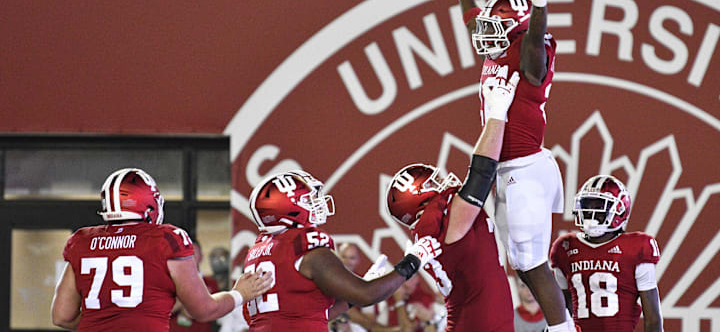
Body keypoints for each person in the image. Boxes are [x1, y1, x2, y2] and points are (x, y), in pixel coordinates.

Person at [445, 0, 575, 332]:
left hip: (525, 167)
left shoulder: (529, 50)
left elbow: (534, 47)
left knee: (531, 265)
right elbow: (474, 22)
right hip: (508, 169)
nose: (485, 34)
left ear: (518, 29)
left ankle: (564, 330)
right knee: (522, 264)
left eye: (496, 26)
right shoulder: (497, 45)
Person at [51, 167, 272, 331]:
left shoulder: (82, 241)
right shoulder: (166, 239)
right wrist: (239, 294)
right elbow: (203, 310)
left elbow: (61, 316)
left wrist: (107, 322)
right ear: (149, 203)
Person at [385, 68, 519, 331]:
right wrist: (496, 114)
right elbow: (480, 176)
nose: (443, 183)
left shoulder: (432, 225)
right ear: (419, 199)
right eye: (432, 183)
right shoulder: (434, 226)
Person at [243, 169, 443, 331]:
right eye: (307, 200)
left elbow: (318, 314)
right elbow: (367, 295)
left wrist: (353, 295)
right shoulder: (307, 250)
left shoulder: (261, 251)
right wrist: (413, 260)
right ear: (284, 209)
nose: (317, 204)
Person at [550, 175, 663, 332]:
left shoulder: (636, 247)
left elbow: (653, 318)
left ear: (619, 210)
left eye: (599, 206)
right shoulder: (565, 247)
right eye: (588, 206)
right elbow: (562, 309)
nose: (592, 213)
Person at [170, 240, 220, 332]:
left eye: (194, 252)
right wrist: (193, 299)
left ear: (201, 256)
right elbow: (166, 309)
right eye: (188, 252)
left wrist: (181, 299)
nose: (191, 256)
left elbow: (210, 311)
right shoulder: (171, 282)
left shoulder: (212, 284)